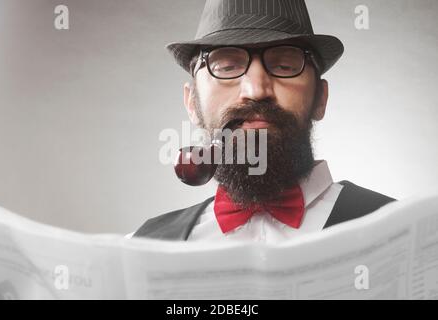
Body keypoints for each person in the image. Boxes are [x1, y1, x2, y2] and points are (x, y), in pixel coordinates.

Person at [133, 0, 395, 241]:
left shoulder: (406, 232)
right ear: (192, 103)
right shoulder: (140, 247)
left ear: (320, 99)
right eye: (226, 66)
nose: (256, 90)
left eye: (284, 66)